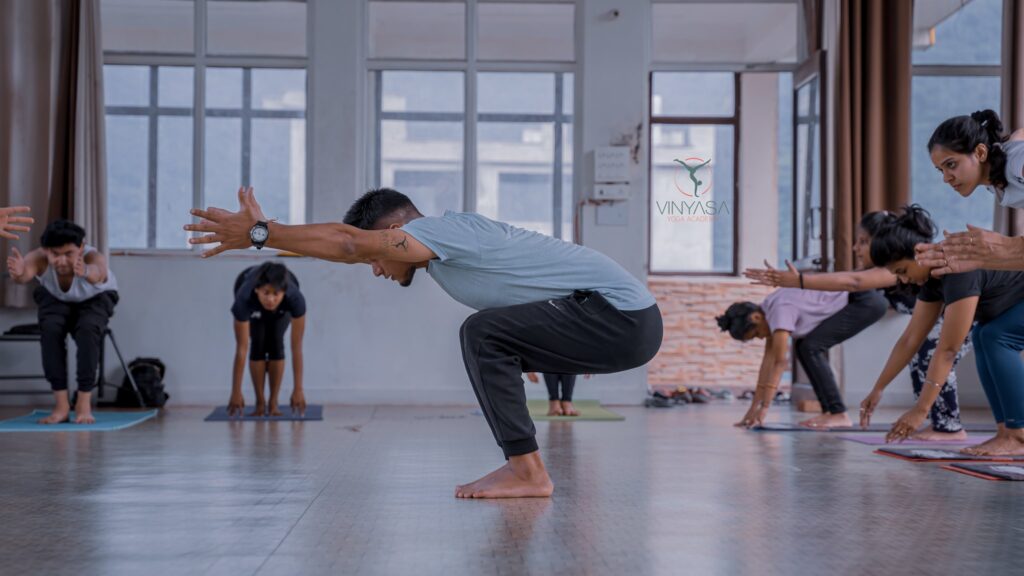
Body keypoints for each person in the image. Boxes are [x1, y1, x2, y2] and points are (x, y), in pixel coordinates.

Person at [186, 187, 663, 499]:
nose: (375, 268)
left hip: (621, 316)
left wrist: (259, 233)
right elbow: (349, 248)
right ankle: (525, 469)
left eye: (378, 253)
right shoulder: (446, 256)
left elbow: (352, 245)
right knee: (489, 334)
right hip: (617, 321)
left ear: (396, 232)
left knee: (482, 332)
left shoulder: (440, 231)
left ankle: (528, 472)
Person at [744, 211, 972, 440]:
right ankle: (939, 422)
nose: (856, 248)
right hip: (939, 313)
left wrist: (799, 281)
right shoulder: (896, 269)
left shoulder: (906, 263)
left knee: (931, 354)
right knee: (920, 354)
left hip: (961, 312)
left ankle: (948, 426)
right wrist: (878, 388)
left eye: (864, 242)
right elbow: (906, 336)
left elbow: (854, 283)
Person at [863, 205, 1024, 455]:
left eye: (903, 271)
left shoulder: (957, 269)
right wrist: (878, 388)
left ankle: (1018, 436)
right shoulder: (932, 280)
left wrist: (920, 410)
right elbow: (910, 340)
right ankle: (1007, 433)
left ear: (918, 253)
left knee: (995, 337)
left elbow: (948, 349)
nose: (904, 280)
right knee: (984, 335)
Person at [717, 282, 886, 429]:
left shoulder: (779, 309)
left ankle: (838, 413)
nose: (760, 337)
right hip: (863, 300)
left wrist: (765, 408)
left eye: (755, 334)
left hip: (863, 302)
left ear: (755, 317)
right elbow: (767, 363)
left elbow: (779, 362)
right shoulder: (768, 309)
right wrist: (752, 409)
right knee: (805, 347)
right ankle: (831, 412)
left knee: (810, 347)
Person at [5, 220, 117, 424]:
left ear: (81, 248)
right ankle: (61, 405)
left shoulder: (92, 256)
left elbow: (98, 274)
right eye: (55, 254)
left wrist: (85, 272)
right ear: (46, 250)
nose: (62, 261)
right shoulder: (39, 257)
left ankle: (83, 403)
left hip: (95, 297)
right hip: (57, 298)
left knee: (87, 329)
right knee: (50, 329)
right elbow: (25, 273)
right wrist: (20, 273)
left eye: (69, 254)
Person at [915, 109, 1024, 276]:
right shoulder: (993, 176)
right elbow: (1019, 135)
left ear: (980, 153)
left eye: (951, 165)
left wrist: (1005, 248)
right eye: (940, 170)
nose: (946, 178)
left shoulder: (1016, 163)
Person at [229, 262, 307, 418]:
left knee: (276, 344)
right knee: (257, 345)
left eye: (275, 293)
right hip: (252, 304)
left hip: (282, 309)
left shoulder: (295, 299)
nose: (270, 299)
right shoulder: (244, 298)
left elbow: (296, 348)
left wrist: (298, 389)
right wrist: (236, 392)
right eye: (266, 293)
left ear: (284, 292)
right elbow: (241, 349)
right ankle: (260, 403)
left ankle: (273, 403)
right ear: (257, 290)